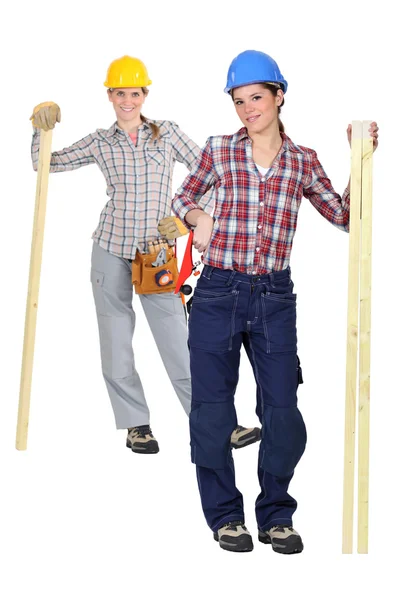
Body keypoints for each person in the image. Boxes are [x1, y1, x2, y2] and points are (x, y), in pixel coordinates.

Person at [171, 49, 379, 553]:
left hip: (273, 298)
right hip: (218, 292)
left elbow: (345, 215)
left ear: (279, 96)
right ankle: (225, 517)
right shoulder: (220, 150)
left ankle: (276, 515)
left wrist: (361, 159)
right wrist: (198, 219)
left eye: (257, 98)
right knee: (213, 412)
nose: (248, 109)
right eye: (239, 101)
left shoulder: (302, 160)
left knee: (283, 410)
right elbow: (183, 198)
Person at [30, 55, 261, 455]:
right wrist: (39, 129)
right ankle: (137, 426)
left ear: (144, 94)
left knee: (181, 342)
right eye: (119, 93)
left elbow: (211, 174)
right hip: (110, 251)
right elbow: (43, 163)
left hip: (156, 255)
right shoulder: (101, 141)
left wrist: (188, 220)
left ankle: (217, 424)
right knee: (116, 340)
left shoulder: (166, 133)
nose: (127, 100)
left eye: (133, 93)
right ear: (110, 96)